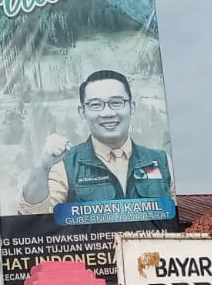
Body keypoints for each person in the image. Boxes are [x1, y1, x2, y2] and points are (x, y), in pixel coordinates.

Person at [22, 69, 172, 205]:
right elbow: (34, 212)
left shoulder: (161, 161)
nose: (107, 113)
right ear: (82, 112)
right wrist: (42, 168)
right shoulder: (65, 165)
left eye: (116, 103)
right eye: (95, 105)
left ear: (131, 107)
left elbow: (176, 216)